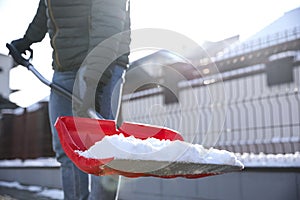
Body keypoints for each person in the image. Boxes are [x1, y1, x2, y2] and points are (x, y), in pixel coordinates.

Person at [9, 0, 131, 199]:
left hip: (104, 62)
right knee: (67, 148)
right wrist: (27, 40)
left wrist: (94, 78)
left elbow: (109, 21)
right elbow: (46, 10)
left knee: (102, 147)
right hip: (64, 67)